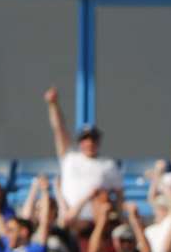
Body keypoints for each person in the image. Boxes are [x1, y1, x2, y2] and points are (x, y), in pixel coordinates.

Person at [42, 86, 121, 220]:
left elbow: (119, 194)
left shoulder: (108, 164)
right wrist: (53, 105)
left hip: (96, 221)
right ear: (79, 142)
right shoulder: (70, 157)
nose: (89, 143)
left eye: (93, 139)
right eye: (85, 139)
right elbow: (59, 129)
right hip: (70, 220)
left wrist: (118, 215)